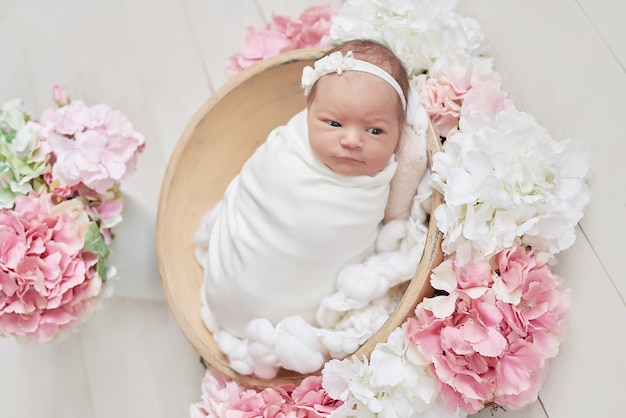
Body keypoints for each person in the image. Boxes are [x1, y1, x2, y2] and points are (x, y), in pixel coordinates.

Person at [195, 39, 426, 343]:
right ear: (308, 112)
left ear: (398, 134)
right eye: (333, 123)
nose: (352, 140)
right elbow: (254, 187)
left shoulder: (383, 177)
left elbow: (386, 218)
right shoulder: (286, 151)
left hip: (291, 313)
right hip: (234, 283)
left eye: (375, 131)